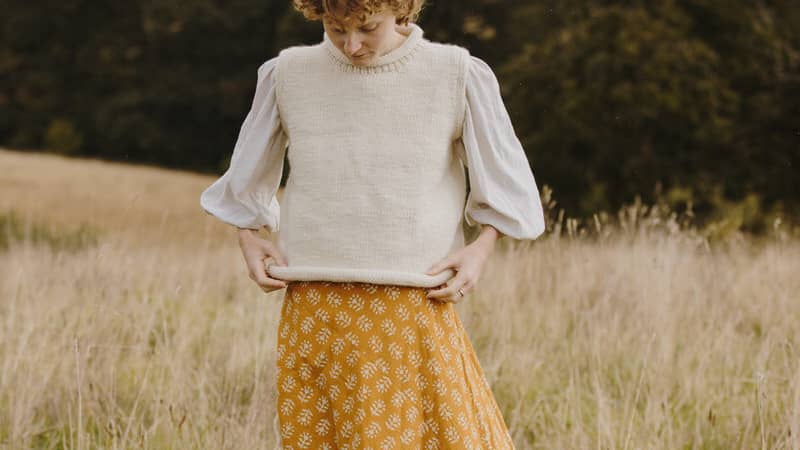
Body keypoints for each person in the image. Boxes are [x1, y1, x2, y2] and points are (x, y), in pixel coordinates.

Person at [200, 0, 545, 448]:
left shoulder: (454, 73)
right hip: (316, 309)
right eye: (335, 29)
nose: (352, 45)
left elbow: (508, 184)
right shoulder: (288, 74)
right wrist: (248, 235)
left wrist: (481, 248)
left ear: (398, 8)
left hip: (413, 304)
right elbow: (245, 177)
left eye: (367, 27)